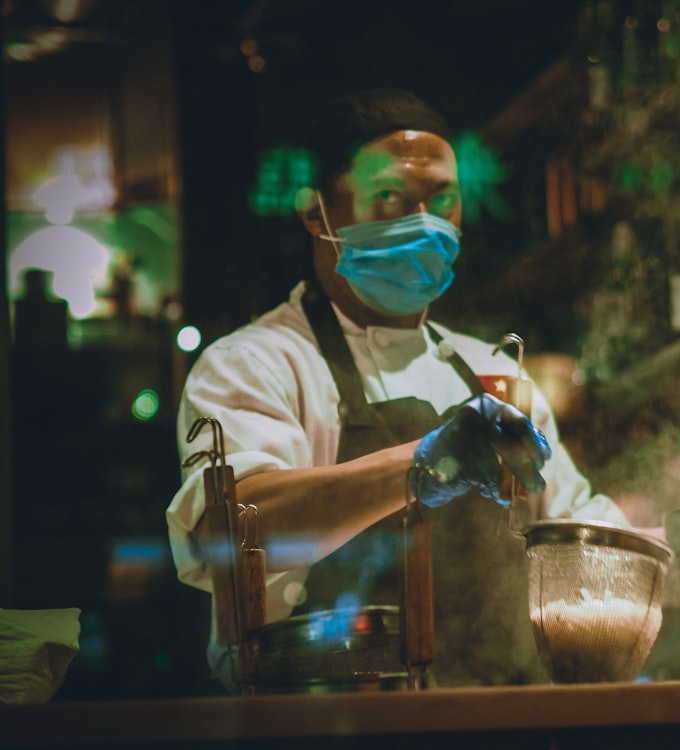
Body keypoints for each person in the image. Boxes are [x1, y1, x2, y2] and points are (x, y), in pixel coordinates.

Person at [166, 88, 631, 692]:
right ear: (315, 213)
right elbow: (228, 531)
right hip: (318, 721)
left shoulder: (494, 374)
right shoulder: (253, 364)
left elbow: (580, 535)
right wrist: (423, 464)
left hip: (499, 716)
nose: (424, 224)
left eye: (443, 200)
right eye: (389, 198)